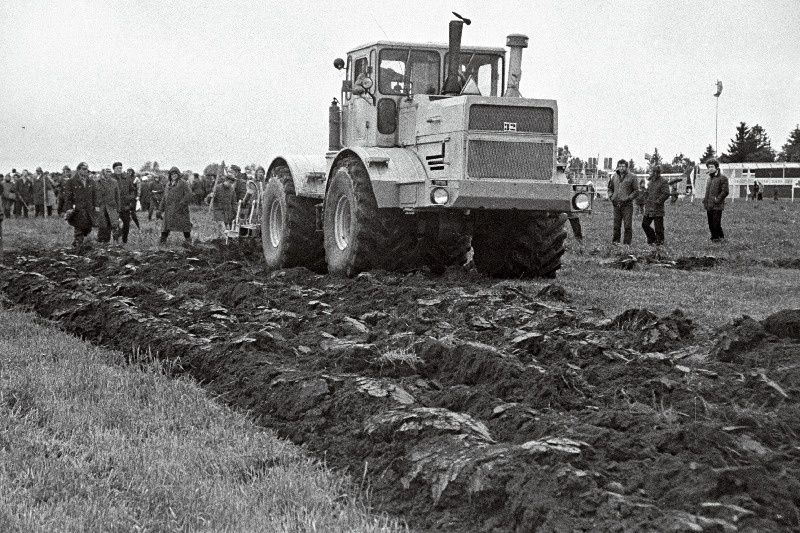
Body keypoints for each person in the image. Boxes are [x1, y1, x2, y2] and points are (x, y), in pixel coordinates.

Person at [63, 162, 98, 248]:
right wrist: (69, 208)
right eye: (84, 169)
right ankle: (78, 247)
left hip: (89, 209)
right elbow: (68, 196)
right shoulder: (71, 181)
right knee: (79, 227)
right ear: (78, 170)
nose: (86, 171)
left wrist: (96, 206)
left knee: (88, 228)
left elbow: (95, 195)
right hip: (77, 209)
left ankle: (76, 243)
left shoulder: (91, 181)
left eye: (87, 169)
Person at [607, 160, 639, 245]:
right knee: (616, 226)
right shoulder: (614, 176)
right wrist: (611, 196)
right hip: (616, 205)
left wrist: (629, 198)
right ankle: (615, 243)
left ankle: (626, 244)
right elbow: (610, 188)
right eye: (620, 166)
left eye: (623, 166)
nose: (621, 168)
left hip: (627, 205)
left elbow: (636, 190)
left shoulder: (632, 177)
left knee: (627, 226)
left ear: (626, 167)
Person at [159, 166, 193, 246]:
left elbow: (188, 194)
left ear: (178, 174)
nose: (173, 175)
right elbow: (164, 198)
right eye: (172, 174)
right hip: (169, 210)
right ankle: (162, 244)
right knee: (166, 227)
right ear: (170, 175)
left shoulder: (183, 183)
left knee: (185, 226)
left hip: (180, 209)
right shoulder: (168, 184)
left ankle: (189, 243)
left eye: (175, 174)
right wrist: (160, 209)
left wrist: (182, 204)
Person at [641, 166, 671, 246]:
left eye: (650, 171)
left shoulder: (663, 181)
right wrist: (645, 194)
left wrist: (658, 201)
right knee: (645, 224)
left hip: (658, 209)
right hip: (649, 208)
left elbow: (666, 193)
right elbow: (648, 193)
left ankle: (660, 244)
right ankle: (653, 240)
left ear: (655, 172)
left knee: (659, 229)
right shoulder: (650, 182)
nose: (649, 173)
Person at [702, 159, 729, 242]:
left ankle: (718, 238)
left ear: (716, 167)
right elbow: (707, 192)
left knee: (716, 223)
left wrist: (717, 200)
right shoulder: (709, 179)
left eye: (712, 167)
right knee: (710, 223)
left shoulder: (723, 178)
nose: (710, 168)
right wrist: (705, 201)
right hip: (709, 205)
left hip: (717, 205)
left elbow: (725, 191)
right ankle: (715, 237)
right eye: (708, 167)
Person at [111, 162, 137, 244]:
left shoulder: (127, 178)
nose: (119, 169)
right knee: (116, 224)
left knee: (126, 224)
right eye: (117, 168)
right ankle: (116, 241)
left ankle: (124, 241)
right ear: (114, 169)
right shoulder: (111, 178)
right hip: (115, 206)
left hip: (125, 205)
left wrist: (130, 197)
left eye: (120, 168)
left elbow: (132, 190)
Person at [95, 168, 121, 244]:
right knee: (102, 224)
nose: (108, 173)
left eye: (110, 172)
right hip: (101, 207)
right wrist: (95, 206)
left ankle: (108, 241)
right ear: (103, 172)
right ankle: (101, 240)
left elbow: (117, 196)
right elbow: (93, 196)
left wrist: (118, 208)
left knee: (112, 224)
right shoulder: (97, 182)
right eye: (107, 172)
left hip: (111, 207)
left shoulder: (114, 182)